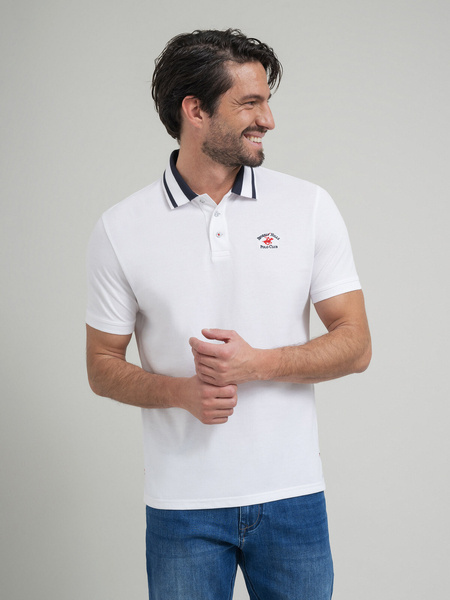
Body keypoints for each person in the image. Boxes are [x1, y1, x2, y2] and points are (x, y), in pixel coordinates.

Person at [86, 28, 371, 600]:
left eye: (267, 101)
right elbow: (101, 364)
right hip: (182, 507)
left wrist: (256, 363)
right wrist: (181, 393)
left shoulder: (308, 206)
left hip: (292, 497)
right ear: (195, 110)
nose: (268, 119)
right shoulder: (121, 228)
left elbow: (356, 344)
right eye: (250, 103)